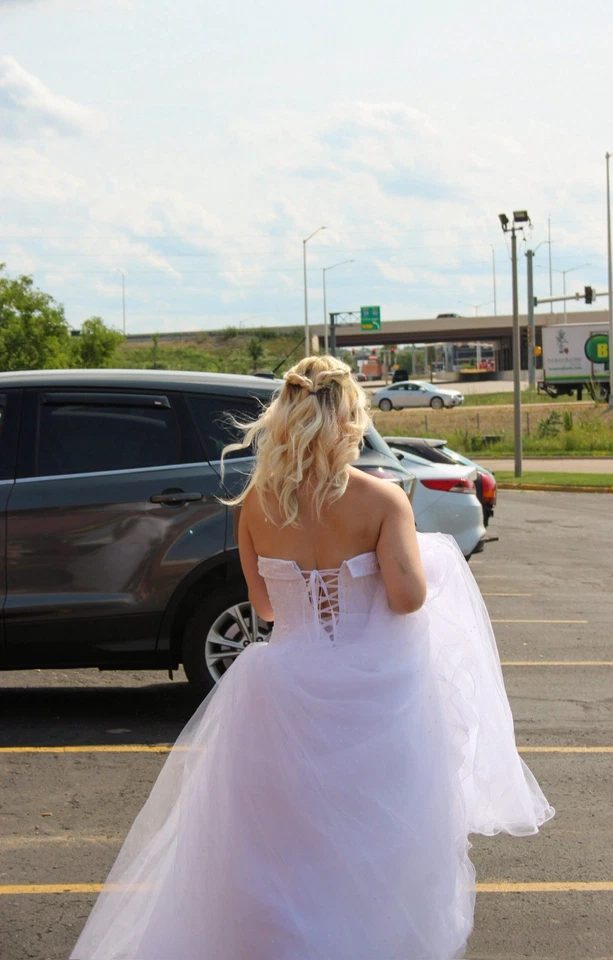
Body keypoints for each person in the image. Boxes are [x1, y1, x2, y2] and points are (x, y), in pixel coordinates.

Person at [70, 355, 553, 960]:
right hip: (374, 695)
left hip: (281, 689)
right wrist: (421, 558)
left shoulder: (257, 504)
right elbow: (406, 599)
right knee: (374, 840)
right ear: (350, 420)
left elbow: (266, 608)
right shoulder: (382, 501)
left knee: (282, 847)